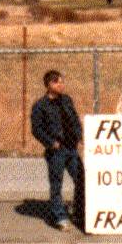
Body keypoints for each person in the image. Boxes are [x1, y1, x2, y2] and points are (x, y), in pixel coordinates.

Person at [30, 68, 84, 232]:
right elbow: (36, 129)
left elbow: (74, 118)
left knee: (81, 179)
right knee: (56, 184)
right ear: (48, 85)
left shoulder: (66, 100)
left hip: (71, 148)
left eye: (61, 81)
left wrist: (79, 135)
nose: (61, 84)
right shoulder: (41, 106)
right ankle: (59, 217)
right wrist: (50, 142)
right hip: (57, 151)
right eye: (57, 82)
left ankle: (80, 212)